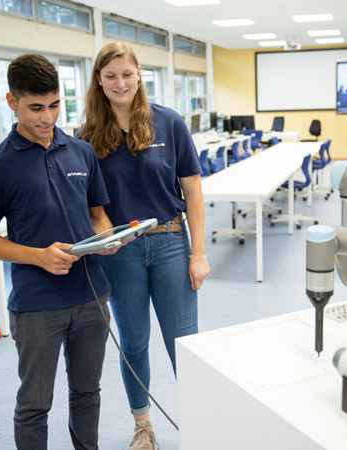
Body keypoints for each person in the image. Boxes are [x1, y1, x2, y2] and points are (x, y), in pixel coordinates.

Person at [0, 53, 123, 450]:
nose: (47, 117)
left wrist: (106, 239)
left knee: (88, 392)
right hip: (38, 305)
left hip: (91, 296)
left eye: (55, 105)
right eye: (35, 107)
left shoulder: (81, 152)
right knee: (35, 404)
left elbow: (97, 215)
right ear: (12, 102)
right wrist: (39, 255)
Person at [79, 42, 210, 450]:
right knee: (133, 343)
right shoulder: (86, 137)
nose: (120, 83)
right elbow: (86, 201)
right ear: (99, 81)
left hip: (172, 243)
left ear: (139, 75)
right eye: (111, 75)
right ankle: (143, 426)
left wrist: (199, 253)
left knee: (183, 343)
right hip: (121, 253)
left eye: (127, 74)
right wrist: (99, 240)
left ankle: (200, 426)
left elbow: (193, 193)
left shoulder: (169, 124)